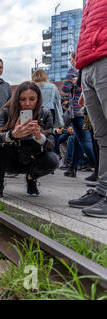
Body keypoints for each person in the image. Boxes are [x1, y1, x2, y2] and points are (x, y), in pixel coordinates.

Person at [69, 0, 107, 218]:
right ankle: (103, 190)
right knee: (101, 135)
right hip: (88, 65)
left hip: (103, 57)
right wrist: (83, 79)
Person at [0, 81, 59, 198]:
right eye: (23, 99)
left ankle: (31, 178)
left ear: (38, 99)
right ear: (17, 99)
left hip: (33, 159)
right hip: (10, 160)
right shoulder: (7, 112)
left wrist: (39, 136)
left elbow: (51, 145)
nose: (27, 103)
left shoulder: (45, 113)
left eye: (32, 99)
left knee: (53, 160)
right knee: (3, 144)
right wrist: (12, 135)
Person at [62, 51, 96, 178]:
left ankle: (98, 167)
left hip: (76, 111)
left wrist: (71, 82)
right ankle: (72, 168)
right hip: (87, 111)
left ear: (74, 58)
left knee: (84, 139)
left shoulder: (73, 70)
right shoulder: (87, 69)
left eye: (70, 58)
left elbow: (65, 89)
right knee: (77, 139)